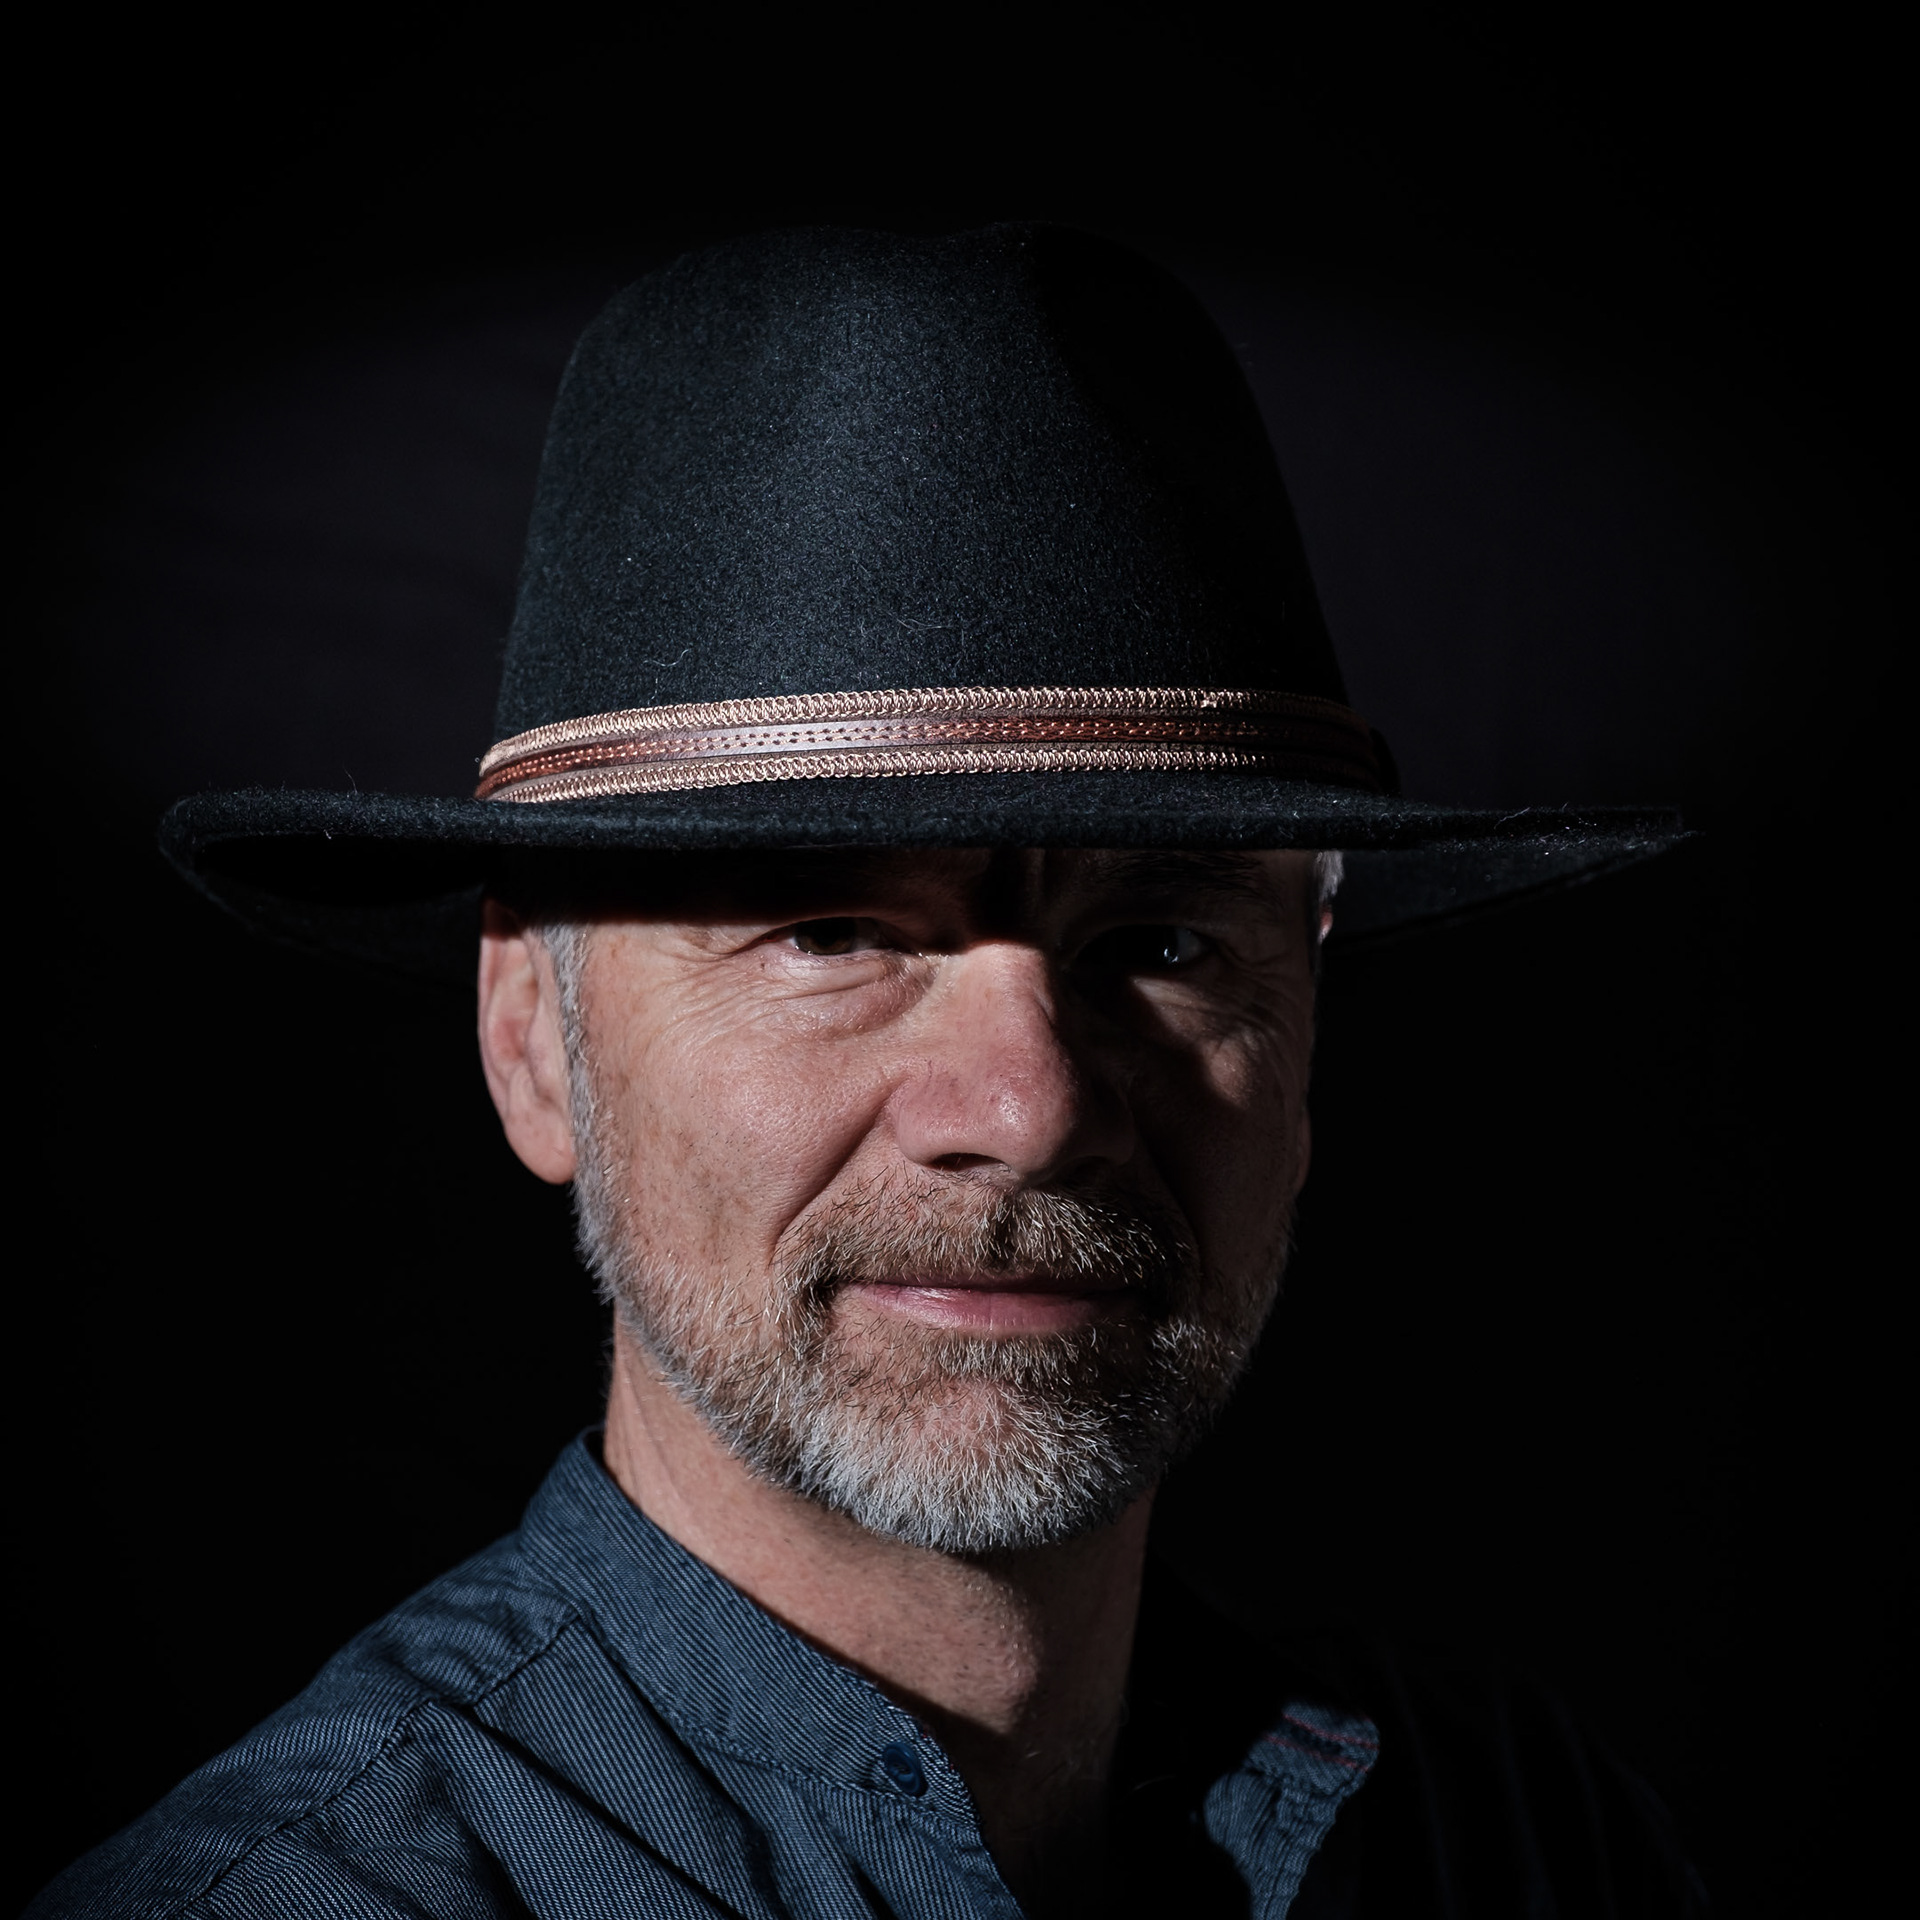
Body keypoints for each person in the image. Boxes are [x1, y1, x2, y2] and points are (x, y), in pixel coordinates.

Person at [33, 225, 1700, 1918]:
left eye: (1167, 944)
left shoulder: (1525, 1851)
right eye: (831, 933)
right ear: (532, 1038)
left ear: (1307, 1040)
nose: (1026, 1110)